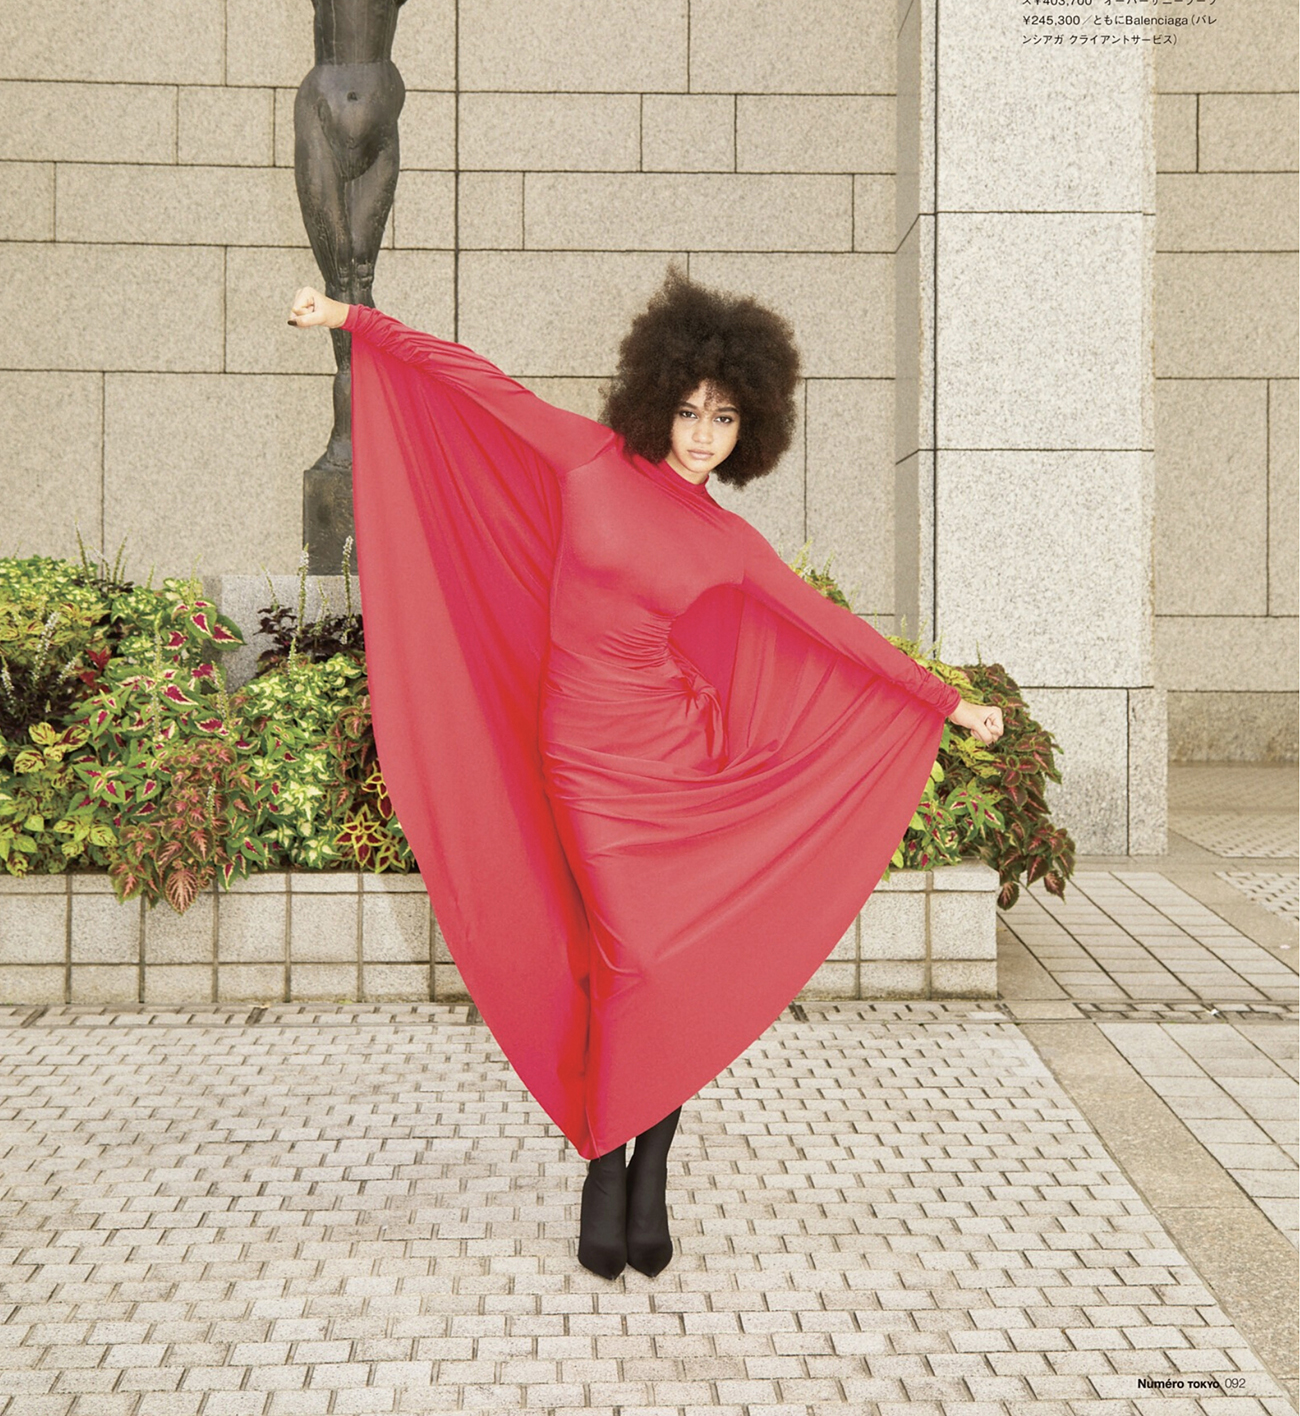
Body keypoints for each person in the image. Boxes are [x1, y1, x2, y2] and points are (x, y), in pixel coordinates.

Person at [288, 269, 1003, 1280]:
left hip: (678, 758)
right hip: (584, 759)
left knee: (665, 963)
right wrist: (350, 318)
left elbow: (833, 632)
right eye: (690, 410)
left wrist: (947, 702)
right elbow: (473, 380)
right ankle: (603, 1159)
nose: (703, 434)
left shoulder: (730, 542)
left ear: (750, 428)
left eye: (725, 417)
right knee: (632, 957)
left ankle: (647, 1163)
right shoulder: (591, 460)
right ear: (657, 397)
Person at [80, 0, 613, 472]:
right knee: (341, 281)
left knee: (361, 278)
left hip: (377, 129)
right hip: (322, 119)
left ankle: (361, 433)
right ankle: (348, 434)